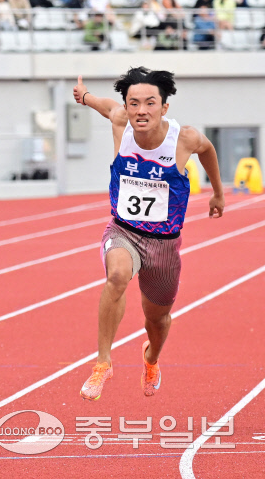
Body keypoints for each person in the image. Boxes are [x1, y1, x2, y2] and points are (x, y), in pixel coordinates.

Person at [72, 68, 225, 401]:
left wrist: (217, 193)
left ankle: (151, 358)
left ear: (164, 108)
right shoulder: (120, 122)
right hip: (124, 230)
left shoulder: (183, 138)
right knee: (116, 275)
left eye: (150, 103)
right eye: (134, 103)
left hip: (164, 245)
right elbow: (101, 103)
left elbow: (209, 150)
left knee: (158, 320)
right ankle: (103, 362)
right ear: (126, 107)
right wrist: (83, 96)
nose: (141, 110)